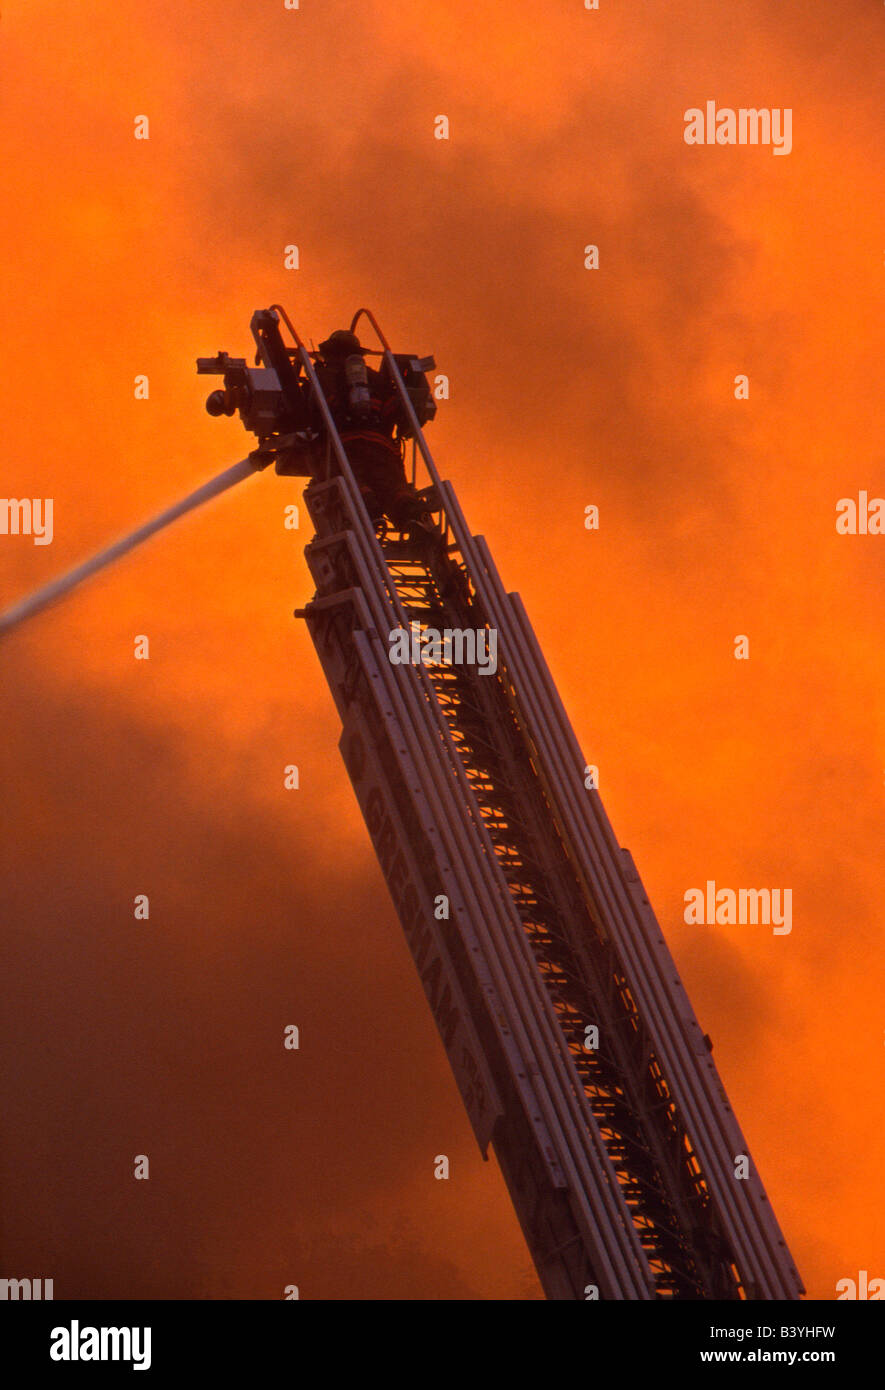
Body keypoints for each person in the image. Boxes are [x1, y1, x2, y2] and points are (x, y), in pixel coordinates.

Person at [313, 329, 431, 533]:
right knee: (395, 487)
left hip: (346, 447)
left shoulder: (323, 377)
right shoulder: (378, 379)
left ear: (331, 352)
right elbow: (394, 410)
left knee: (352, 480)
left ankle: (372, 515)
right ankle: (411, 518)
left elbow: (313, 414)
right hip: (382, 448)